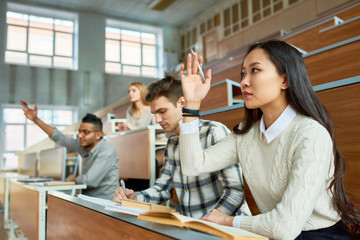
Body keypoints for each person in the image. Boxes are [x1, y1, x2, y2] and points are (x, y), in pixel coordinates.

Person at [178, 40, 360, 239]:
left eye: (255, 70)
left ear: (285, 80)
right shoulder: (245, 134)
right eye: (243, 74)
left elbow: (284, 227)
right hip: (274, 233)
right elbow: (192, 166)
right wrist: (192, 105)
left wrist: (227, 221)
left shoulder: (311, 134)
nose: (244, 82)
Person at [113, 76, 251, 219]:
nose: (157, 120)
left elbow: (235, 191)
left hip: (224, 225)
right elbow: (163, 189)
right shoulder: (172, 143)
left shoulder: (214, 132)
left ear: (182, 103)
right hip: (191, 227)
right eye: (154, 114)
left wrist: (209, 220)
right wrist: (135, 197)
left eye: (162, 111)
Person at [20, 101, 119, 200]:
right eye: (79, 131)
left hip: (103, 202)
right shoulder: (83, 145)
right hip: (87, 198)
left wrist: (74, 179)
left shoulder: (107, 151)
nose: (80, 135)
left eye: (86, 132)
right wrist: (35, 119)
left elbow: (90, 181)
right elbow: (60, 138)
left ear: (98, 135)